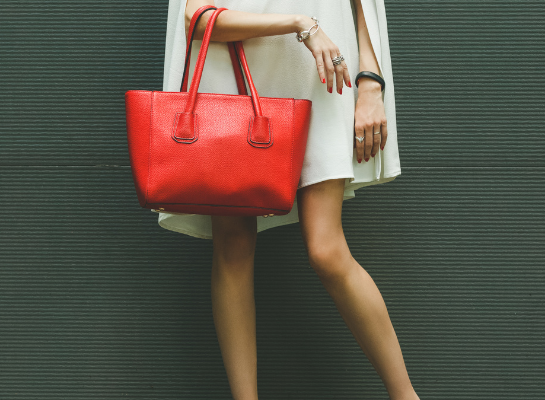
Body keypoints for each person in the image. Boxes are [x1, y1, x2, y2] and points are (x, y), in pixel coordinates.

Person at [155, 1, 419, 399]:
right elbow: (198, 17)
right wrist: (299, 24)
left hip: (324, 73)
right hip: (232, 66)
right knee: (234, 246)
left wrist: (371, 81)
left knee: (327, 251)